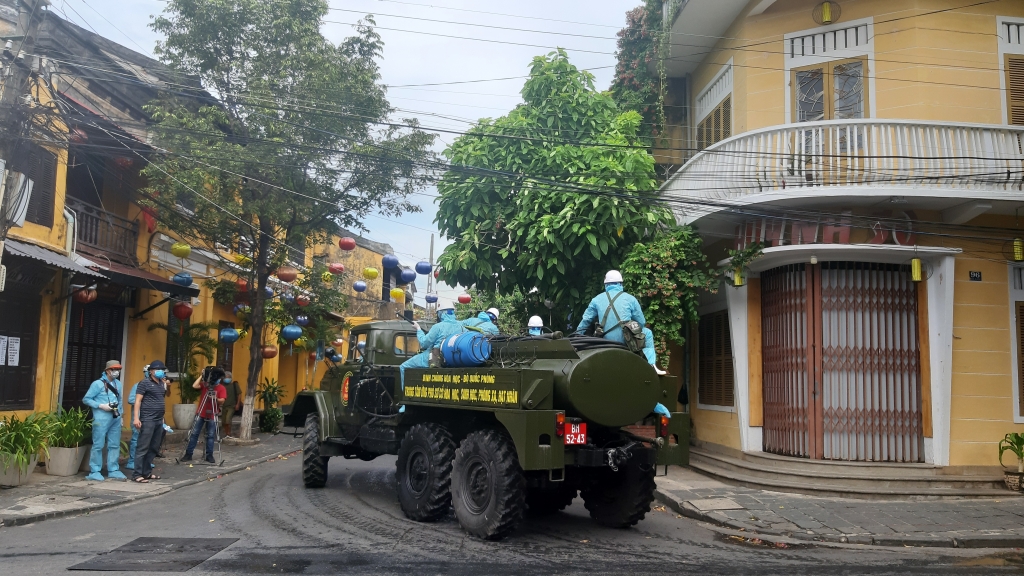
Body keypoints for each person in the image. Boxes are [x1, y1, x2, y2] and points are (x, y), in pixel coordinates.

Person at [576, 270, 666, 374]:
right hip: (626, 341)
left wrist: (577, 337)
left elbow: (586, 321)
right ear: (620, 284)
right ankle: (651, 366)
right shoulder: (630, 299)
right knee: (648, 333)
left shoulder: (596, 299)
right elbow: (641, 322)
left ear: (605, 285)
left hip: (603, 341)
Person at [399, 299, 464, 389]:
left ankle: (405, 398)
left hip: (436, 357)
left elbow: (424, 343)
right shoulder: (461, 327)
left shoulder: (438, 327)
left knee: (403, 367)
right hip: (452, 359)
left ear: (441, 313)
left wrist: (418, 329)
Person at [82, 360, 127, 481]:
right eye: (114, 369)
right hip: (101, 418)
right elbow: (86, 399)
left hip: (115, 418)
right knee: (98, 444)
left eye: (118, 370)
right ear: (107, 370)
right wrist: (100, 405)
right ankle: (95, 470)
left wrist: (121, 416)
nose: (116, 372)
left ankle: (113, 469)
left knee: (114, 444)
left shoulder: (118, 384)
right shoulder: (97, 384)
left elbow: (120, 400)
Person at [132, 360, 170, 483]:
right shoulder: (144, 383)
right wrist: (136, 418)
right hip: (148, 419)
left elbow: (163, 398)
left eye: (162, 369)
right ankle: (137, 474)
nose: (160, 371)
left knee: (154, 447)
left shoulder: (160, 383)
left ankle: (146, 472)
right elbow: (138, 401)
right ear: (151, 371)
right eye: (157, 369)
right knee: (143, 447)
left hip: (159, 420)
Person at [182, 367, 227, 463]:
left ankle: (209, 455)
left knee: (210, 435)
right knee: (194, 434)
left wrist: (215, 398)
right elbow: (194, 386)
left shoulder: (221, 388)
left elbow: (222, 401)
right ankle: (188, 454)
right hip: (201, 413)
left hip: (213, 414)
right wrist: (202, 376)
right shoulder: (205, 385)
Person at [125, 364, 149, 471]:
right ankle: (132, 461)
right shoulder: (138, 385)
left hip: (149, 418)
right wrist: (142, 401)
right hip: (138, 417)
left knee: (147, 441)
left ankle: (144, 461)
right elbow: (130, 400)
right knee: (136, 440)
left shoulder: (155, 385)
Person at [221, 371, 242, 438]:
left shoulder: (234, 385)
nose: (226, 379)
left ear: (230, 378)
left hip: (232, 406)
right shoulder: (222, 386)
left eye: (228, 377)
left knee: (228, 420)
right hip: (224, 406)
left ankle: (228, 433)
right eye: (225, 377)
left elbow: (239, 394)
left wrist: (237, 404)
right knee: (223, 422)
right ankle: (226, 433)